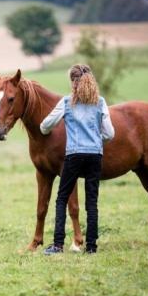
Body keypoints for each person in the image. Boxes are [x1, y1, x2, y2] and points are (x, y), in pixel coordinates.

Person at [40, 64, 115, 255]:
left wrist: (47, 129)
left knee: (62, 198)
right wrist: (96, 140)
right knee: (92, 202)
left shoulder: (66, 102)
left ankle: (57, 245)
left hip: (74, 155)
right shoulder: (100, 102)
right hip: (95, 155)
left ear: (73, 82)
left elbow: (45, 126)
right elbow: (110, 133)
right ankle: (91, 247)